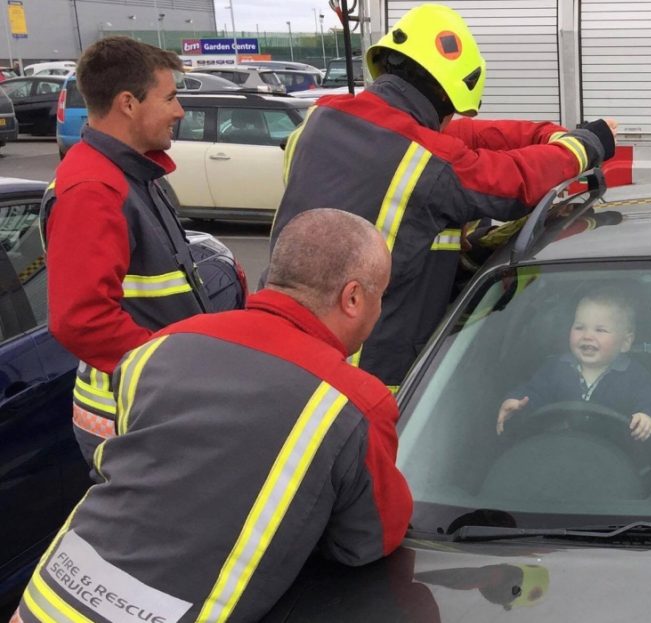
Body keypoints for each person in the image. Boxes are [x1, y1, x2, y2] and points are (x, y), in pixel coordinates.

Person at [13, 209, 413, 623]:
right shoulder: (352, 402)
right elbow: (365, 541)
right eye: (380, 294)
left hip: (46, 601)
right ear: (352, 298)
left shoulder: (160, 346)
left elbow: (144, 468)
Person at [272, 3, 618, 392]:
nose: (452, 121)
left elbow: (462, 139)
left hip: (284, 351)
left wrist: (545, 134)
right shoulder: (425, 163)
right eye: (451, 111)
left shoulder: (319, 123)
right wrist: (587, 145)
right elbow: (515, 182)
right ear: (442, 97)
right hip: (368, 373)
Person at [42, 36, 209, 462]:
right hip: (132, 416)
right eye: (169, 97)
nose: (180, 111)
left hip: (150, 406)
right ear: (128, 103)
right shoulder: (94, 190)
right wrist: (174, 372)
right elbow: (80, 320)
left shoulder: (129, 174)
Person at [497, 287, 651, 441]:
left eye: (600, 330)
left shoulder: (635, 376)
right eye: (579, 327)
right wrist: (516, 400)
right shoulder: (555, 368)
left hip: (614, 458)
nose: (587, 336)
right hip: (558, 450)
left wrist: (647, 416)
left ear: (625, 342)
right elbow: (533, 393)